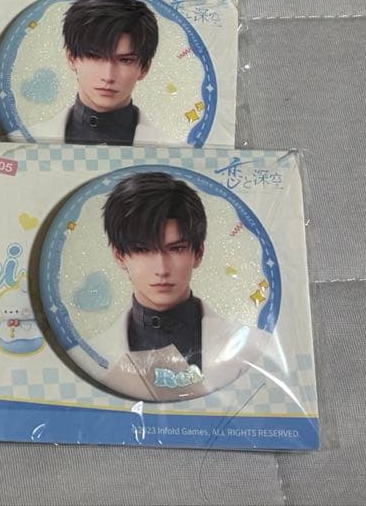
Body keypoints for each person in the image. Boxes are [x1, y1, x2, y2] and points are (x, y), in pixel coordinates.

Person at [71, 172, 271, 402]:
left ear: (198, 253)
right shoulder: (87, 356)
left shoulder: (255, 348)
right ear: (119, 256)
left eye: (176, 249)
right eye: (143, 250)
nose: (162, 269)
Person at [13, 0, 166, 146]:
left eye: (125, 60)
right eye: (94, 56)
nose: (108, 76)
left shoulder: (171, 149)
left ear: (144, 68)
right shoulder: (19, 142)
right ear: (71, 57)